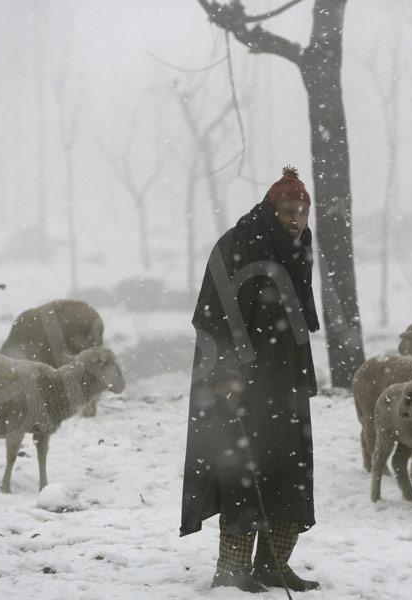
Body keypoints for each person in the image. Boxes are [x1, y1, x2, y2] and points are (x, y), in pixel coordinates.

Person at [180, 166, 321, 593]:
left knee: (288, 470)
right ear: (270, 208)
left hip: (283, 374)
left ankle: (274, 565)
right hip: (239, 377)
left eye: (302, 211)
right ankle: (233, 570)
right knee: (243, 470)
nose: (296, 219)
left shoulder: (299, 245)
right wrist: (224, 373)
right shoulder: (237, 244)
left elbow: (295, 315)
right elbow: (212, 312)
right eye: (288, 210)